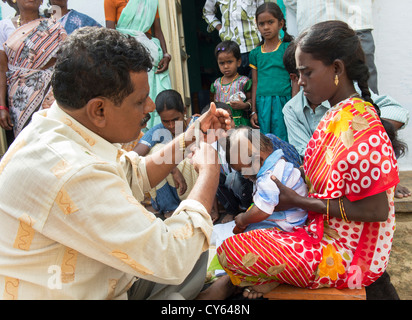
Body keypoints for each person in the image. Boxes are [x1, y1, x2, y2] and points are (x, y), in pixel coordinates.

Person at [0, 26, 234, 300]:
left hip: (105, 282)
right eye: (139, 101)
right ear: (99, 110)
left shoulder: (59, 125)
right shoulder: (73, 169)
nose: (149, 107)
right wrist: (209, 172)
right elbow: (171, 256)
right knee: (189, 241)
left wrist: (192, 137)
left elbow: (135, 173)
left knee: (196, 241)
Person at [216, 21, 403, 299]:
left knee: (231, 251)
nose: (300, 81)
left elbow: (376, 211)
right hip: (317, 230)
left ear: (337, 69)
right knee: (239, 239)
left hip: (347, 256)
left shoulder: (363, 128)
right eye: (298, 73)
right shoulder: (334, 116)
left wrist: (298, 201)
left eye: (307, 72)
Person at [282, 40, 410, 198]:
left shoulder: (351, 97)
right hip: (325, 172)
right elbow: (305, 153)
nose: (302, 81)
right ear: (295, 78)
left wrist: (365, 130)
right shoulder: (291, 109)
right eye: (301, 74)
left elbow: (399, 112)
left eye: (309, 72)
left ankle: (385, 181)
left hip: (359, 172)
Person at [0, 0, 67, 138]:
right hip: (18, 98)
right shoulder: (4, 26)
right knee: (24, 140)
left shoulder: (54, 27)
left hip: (49, 95)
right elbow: (2, 70)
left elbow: (64, 64)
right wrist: (2, 106)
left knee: (49, 136)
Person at [284, 0, 379, 94]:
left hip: (354, 21)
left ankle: (369, 109)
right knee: (315, 90)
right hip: (313, 24)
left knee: (365, 88)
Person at [225, 127, 307, 234]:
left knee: (249, 234)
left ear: (257, 159)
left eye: (244, 170)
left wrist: (243, 219)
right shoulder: (279, 160)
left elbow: (263, 210)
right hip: (298, 215)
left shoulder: (267, 178)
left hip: (289, 222)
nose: (245, 176)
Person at [134, 89, 198, 219]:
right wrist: (173, 169)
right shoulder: (158, 131)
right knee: (154, 152)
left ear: (184, 111)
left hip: (194, 184)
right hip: (174, 188)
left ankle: (197, 203)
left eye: (175, 119)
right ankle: (170, 207)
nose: (171, 125)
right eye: (165, 121)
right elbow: (135, 155)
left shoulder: (196, 124)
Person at [111, 0, 172, 131]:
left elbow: (158, 30)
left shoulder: (150, 1)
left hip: (151, 56)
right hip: (127, 57)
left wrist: (166, 55)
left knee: (155, 97)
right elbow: (111, 33)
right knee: (135, 96)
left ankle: (157, 136)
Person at [249, 2, 293, 141]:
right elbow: (255, 83)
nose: (266, 27)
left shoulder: (287, 48)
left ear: (280, 23)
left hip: (284, 101)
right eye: (261, 24)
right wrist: (254, 110)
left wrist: (293, 105)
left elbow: (295, 79)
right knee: (265, 141)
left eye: (270, 22)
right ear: (257, 26)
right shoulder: (255, 53)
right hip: (263, 105)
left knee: (284, 139)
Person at [203, 0, 277, 77]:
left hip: (255, 47)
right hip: (231, 51)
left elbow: (265, 12)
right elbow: (207, 12)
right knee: (236, 86)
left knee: (257, 83)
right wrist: (221, 29)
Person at [211, 40, 252, 127]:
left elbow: (251, 100)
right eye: (222, 63)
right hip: (222, 124)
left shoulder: (244, 81)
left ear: (238, 62)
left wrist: (244, 105)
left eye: (229, 62)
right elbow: (214, 104)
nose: (225, 66)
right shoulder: (216, 84)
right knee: (222, 140)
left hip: (241, 123)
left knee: (244, 140)